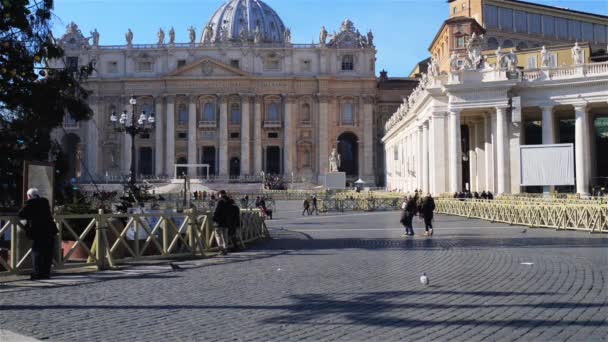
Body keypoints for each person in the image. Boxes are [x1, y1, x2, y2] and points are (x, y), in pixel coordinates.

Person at [18, 188, 58, 280]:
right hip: (49, 230)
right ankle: (46, 273)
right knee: (48, 254)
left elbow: (21, 214)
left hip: (38, 232)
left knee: (37, 253)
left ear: (29, 196)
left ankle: (37, 273)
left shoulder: (30, 203)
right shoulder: (45, 202)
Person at [212, 190, 232, 255]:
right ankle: (225, 248)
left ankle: (221, 249)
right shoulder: (229, 202)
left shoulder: (220, 201)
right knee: (225, 235)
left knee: (218, 235)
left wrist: (214, 218)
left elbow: (217, 211)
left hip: (219, 221)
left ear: (220, 195)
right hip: (227, 221)